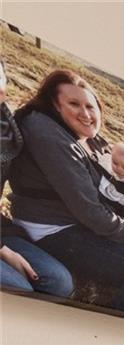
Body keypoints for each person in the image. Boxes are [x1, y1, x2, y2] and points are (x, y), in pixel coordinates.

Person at [6, 68, 124, 316]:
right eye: (74, 104)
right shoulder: (47, 133)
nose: (85, 114)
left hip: (78, 224)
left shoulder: (84, 136)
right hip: (53, 228)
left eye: (90, 106)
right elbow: (91, 212)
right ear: (54, 105)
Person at [0, 57, 73, 297]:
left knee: (58, 281)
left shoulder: (7, 132)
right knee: (17, 289)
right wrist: (5, 252)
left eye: (1, 89)